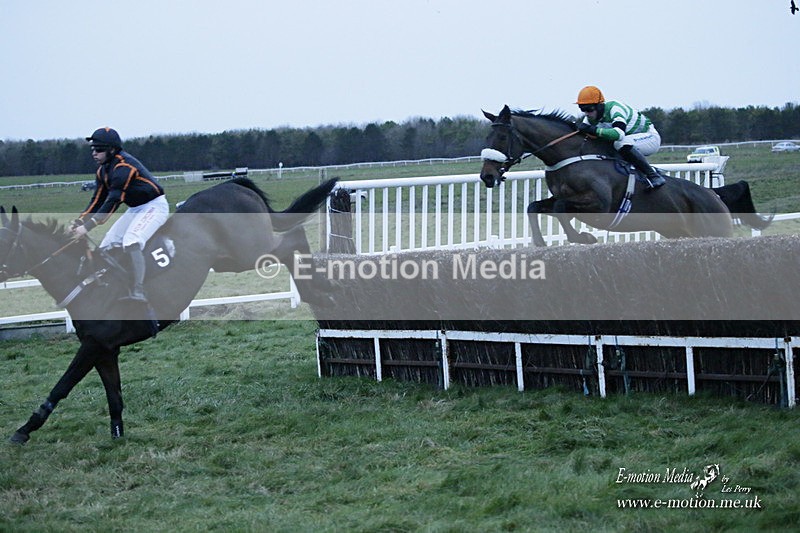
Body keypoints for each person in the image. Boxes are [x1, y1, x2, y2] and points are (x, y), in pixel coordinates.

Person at [70, 127, 168, 303]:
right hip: (135, 208)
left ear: (112, 149)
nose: (94, 153)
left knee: (131, 240)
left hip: (153, 206)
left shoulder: (124, 167)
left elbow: (113, 200)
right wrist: (80, 220)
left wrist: (88, 226)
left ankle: (139, 291)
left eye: (98, 149)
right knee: (107, 244)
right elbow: (98, 199)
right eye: (92, 149)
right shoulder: (103, 170)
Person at [575, 86, 665, 189]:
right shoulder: (589, 119)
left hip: (650, 138)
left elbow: (618, 134)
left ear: (599, 106)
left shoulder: (615, 108)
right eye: (583, 109)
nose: (586, 113)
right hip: (631, 140)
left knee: (620, 143)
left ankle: (654, 176)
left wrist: (594, 130)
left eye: (589, 109)